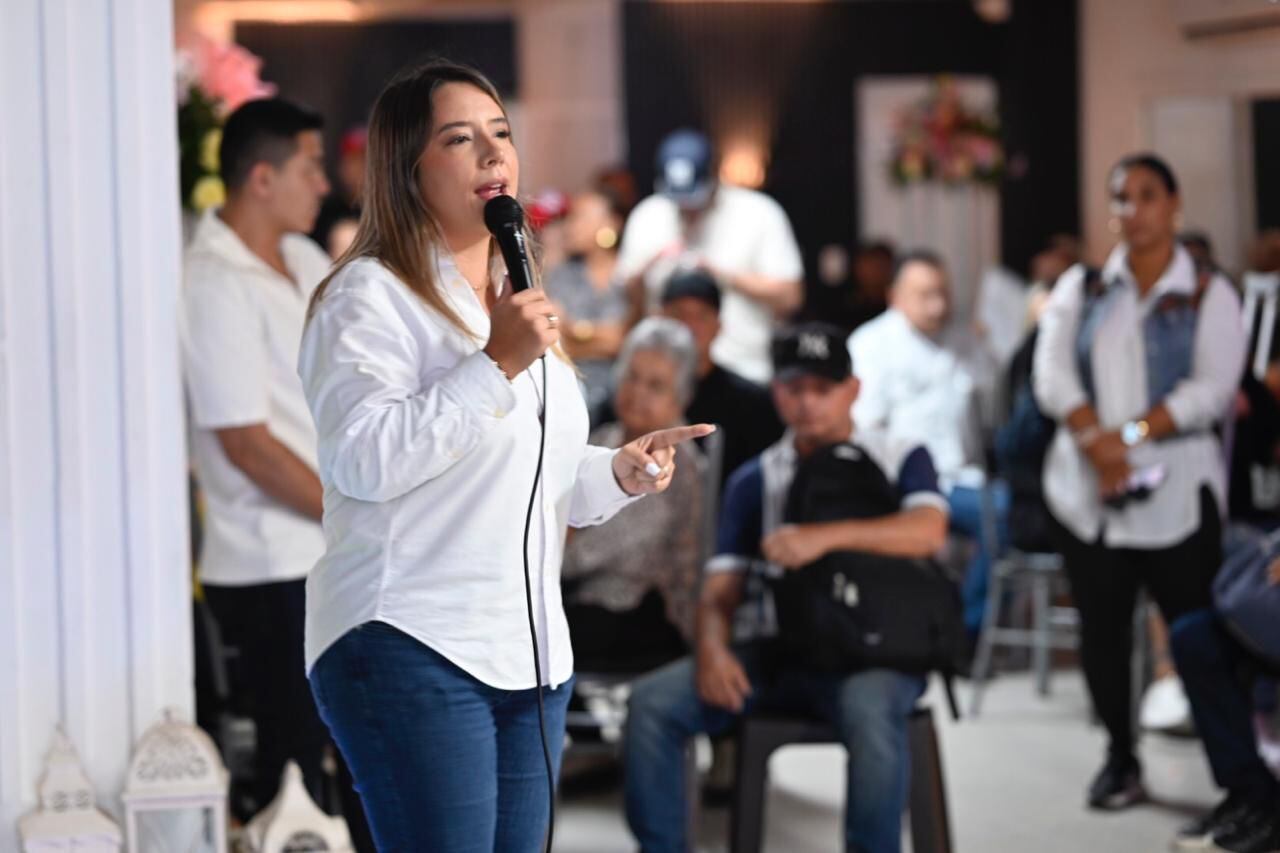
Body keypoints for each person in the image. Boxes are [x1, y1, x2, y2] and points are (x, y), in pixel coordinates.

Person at [295, 59, 713, 852]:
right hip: (409, 637)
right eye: (460, 138)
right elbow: (363, 460)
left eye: (501, 134)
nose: (493, 155)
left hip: (529, 652)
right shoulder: (367, 296)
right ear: (405, 167)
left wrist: (617, 471)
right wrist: (495, 364)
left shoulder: (516, 293)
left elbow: (534, 476)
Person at [624, 323, 948, 853]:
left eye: (824, 389)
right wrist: (711, 649)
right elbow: (720, 587)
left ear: (853, 390)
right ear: (778, 392)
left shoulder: (901, 454)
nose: (808, 404)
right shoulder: (756, 479)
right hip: (782, 652)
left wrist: (821, 538)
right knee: (653, 704)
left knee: (872, 715)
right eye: (796, 389)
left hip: (880, 654)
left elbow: (929, 532)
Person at [1033, 153, 1246, 811]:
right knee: (1102, 629)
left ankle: (1239, 778)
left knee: (1198, 634)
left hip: (1176, 489)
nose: (1132, 210)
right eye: (1120, 198)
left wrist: (1126, 439)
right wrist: (1097, 442)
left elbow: (1210, 389)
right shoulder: (1085, 287)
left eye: (1146, 196)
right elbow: (1052, 374)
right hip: (1090, 491)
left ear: (1173, 204)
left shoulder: (1209, 290)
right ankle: (1119, 755)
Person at [180, 97, 363, 824]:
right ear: (261, 177)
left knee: (360, 751)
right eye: (310, 167)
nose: (324, 184)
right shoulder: (210, 279)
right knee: (296, 776)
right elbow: (246, 444)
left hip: (331, 545)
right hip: (269, 561)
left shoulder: (304, 255)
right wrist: (352, 511)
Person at [847, 251, 1001, 637]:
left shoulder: (965, 338)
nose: (937, 305)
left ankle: (965, 628)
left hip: (963, 476)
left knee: (1007, 514)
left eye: (942, 293)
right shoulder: (871, 344)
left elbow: (995, 407)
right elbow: (864, 430)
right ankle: (948, 628)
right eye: (925, 294)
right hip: (903, 480)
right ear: (895, 296)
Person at [562, 318, 705, 673]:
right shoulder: (605, 435)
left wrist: (553, 538)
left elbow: (592, 554)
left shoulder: (676, 464)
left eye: (656, 385)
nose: (638, 392)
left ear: (681, 397)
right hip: (585, 595)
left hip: (640, 610)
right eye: (632, 376)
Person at [616, 128, 804, 384]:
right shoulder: (648, 215)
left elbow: (790, 297)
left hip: (744, 367)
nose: (687, 208)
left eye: (694, 198)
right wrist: (650, 265)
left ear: (715, 176)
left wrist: (719, 273)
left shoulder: (759, 213)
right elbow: (627, 298)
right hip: (666, 376)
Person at [659, 268, 785, 486]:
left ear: (718, 325)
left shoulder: (755, 405)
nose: (689, 326)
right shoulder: (631, 396)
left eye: (700, 316)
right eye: (679, 314)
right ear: (659, 319)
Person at [543, 187, 631, 420]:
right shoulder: (560, 275)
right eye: (570, 217)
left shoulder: (629, 276)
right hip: (576, 396)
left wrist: (578, 330)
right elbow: (558, 343)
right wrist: (607, 337)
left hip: (626, 398)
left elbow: (628, 342)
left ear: (610, 223)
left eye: (580, 217)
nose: (570, 226)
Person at [310, 125, 366, 258]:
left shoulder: (386, 213)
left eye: (367, 161)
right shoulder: (322, 214)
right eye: (355, 160)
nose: (363, 169)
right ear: (342, 165)